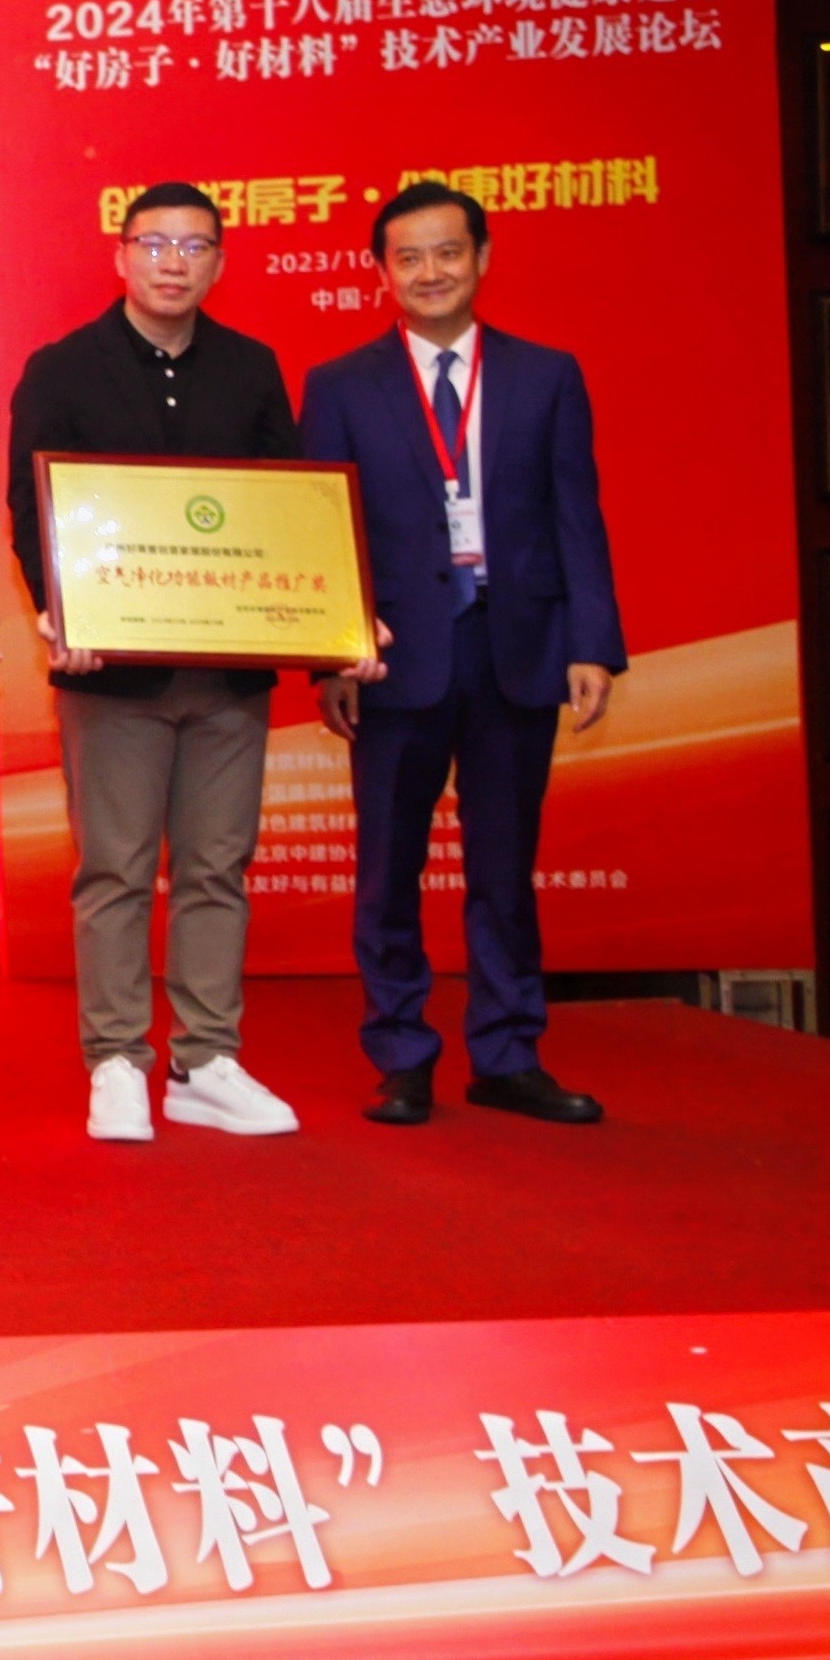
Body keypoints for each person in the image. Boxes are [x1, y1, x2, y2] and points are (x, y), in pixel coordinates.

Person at [299, 182, 624, 1128]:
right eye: (408, 257)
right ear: (381, 272)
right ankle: (401, 1054)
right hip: (396, 659)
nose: (430, 272)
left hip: (515, 648)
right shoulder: (340, 385)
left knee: (504, 868)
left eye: (448, 252)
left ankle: (509, 1054)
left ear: (482, 257)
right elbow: (325, 527)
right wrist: (332, 655)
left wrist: (591, 643)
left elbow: (577, 515)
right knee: (388, 870)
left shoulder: (545, 374)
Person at [3, 182, 306, 1145]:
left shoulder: (252, 368)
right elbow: (32, 506)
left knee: (218, 864)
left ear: (219, 262)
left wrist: (321, 616)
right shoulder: (62, 368)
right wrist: (64, 612)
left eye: (195, 246)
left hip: (227, 669)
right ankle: (116, 1059)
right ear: (121, 254)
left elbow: (287, 507)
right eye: (155, 242)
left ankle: (206, 1059)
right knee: (116, 867)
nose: (174, 261)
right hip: (112, 669)